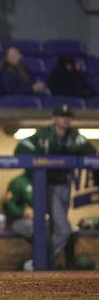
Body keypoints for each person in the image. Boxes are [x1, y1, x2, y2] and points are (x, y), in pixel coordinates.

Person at [14, 104, 96, 267]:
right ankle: (43, 262)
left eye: (68, 117)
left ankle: (44, 264)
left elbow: (90, 151)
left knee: (55, 228)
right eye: (62, 117)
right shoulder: (43, 134)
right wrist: (41, 162)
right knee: (64, 229)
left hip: (65, 182)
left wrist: (70, 153)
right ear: (54, 118)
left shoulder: (74, 135)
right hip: (48, 184)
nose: (65, 120)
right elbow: (21, 149)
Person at [3, 173, 34, 271]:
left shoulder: (44, 180)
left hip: (39, 219)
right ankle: (36, 262)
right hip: (18, 220)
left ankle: (49, 262)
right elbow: (8, 204)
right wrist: (22, 212)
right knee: (37, 229)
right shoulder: (18, 182)